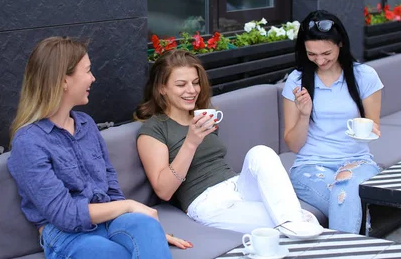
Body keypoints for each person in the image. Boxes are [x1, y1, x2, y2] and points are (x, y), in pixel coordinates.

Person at [7, 36, 190, 259]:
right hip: (67, 235)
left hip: (109, 221)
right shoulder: (28, 142)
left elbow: (111, 186)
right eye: (87, 71)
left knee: (148, 227)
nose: (93, 78)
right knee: (114, 254)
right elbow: (65, 214)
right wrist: (129, 207)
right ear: (64, 80)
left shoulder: (86, 124)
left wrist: (146, 234)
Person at [135, 49, 321, 235]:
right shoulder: (154, 129)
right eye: (181, 84)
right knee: (298, 219)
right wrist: (190, 143)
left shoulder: (203, 116)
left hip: (236, 185)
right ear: (162, 88)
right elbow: (164, 191)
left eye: (196, 83)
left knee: (261, 152)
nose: (191, 90)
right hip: (207, 202)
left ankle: (296, 225)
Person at [282, 10, 384, 234]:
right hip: (309, 166)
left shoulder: (364, 76)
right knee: (346, 197)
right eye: (312, 54)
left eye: (326, 53)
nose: (320, 60)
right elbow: (293, 145)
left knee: (345, 187)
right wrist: (304, 114)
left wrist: (369, 129)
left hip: (357, 162)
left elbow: (373, 127)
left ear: (340, 44)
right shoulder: (296, 81)